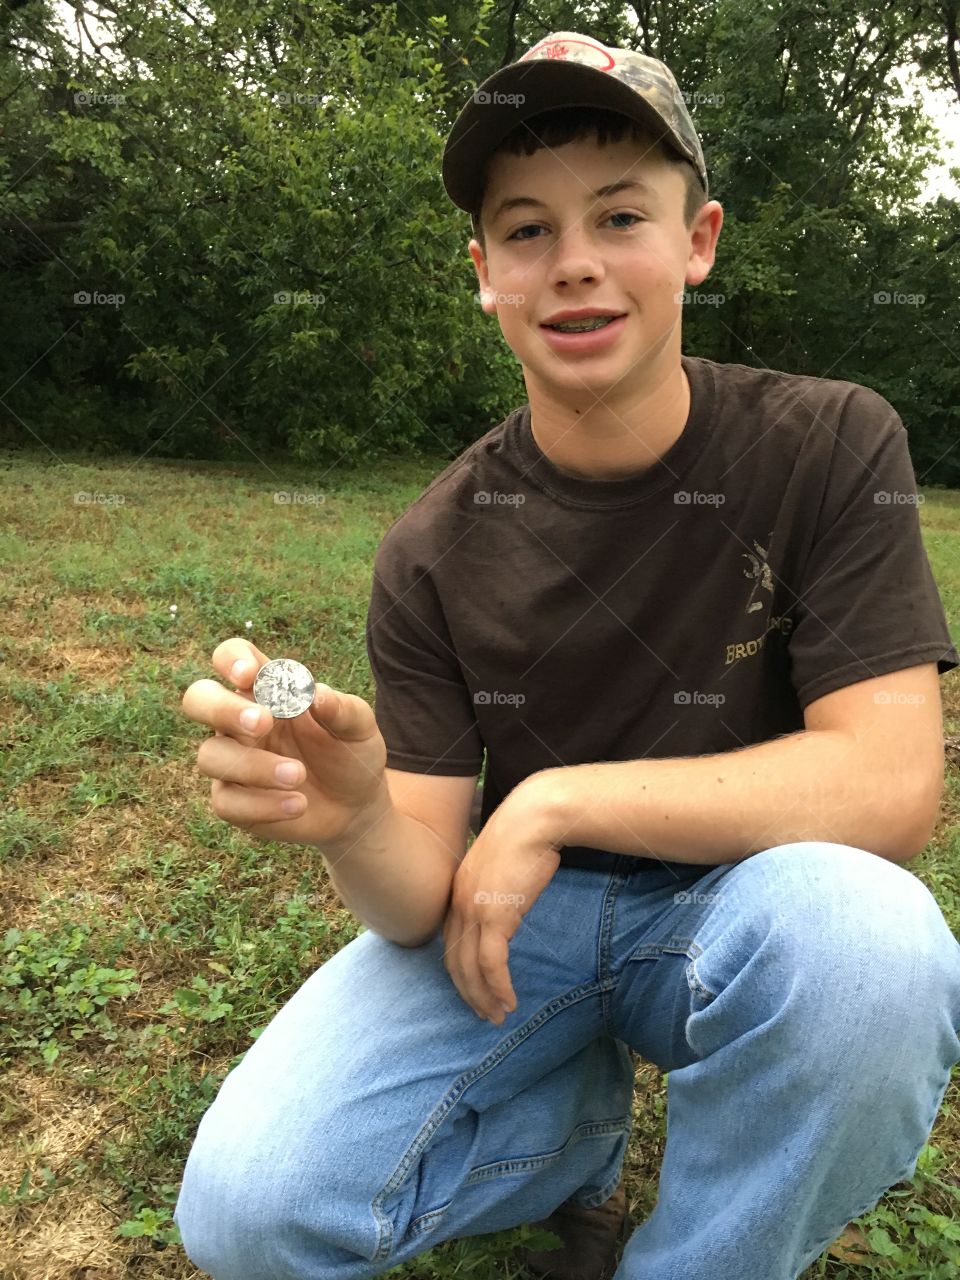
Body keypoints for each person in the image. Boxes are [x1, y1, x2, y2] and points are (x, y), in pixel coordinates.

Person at [173, 30, 960, 1280]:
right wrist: (355, 815)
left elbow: (890, 784)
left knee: (875, 944)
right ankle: (572, 1139)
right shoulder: (432, 543)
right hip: (513, 924)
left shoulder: (829, 442)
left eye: (620, 215)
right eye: (528, 230)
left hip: (746, 902)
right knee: (246, 1210)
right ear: (485, 273)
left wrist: (557, 797)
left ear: (697, 239)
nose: (576, 264)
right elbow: (420, 891)